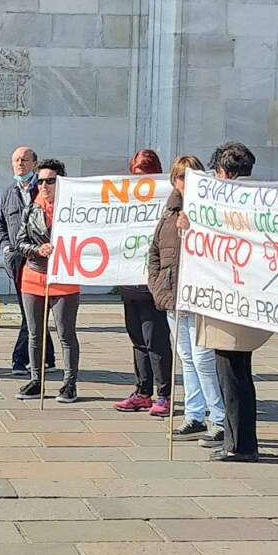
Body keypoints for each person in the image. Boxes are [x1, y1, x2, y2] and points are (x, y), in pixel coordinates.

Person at [189, 142, 271, 462]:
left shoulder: (226, 203)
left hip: (228, 304)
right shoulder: (264, 201)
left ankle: (240, 444)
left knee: (233, 376)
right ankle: (240, 440)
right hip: (246, 303)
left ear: (222, 172)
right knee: (238, 375)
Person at [148, 155, 226, 443]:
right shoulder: (168, 213)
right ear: (174, 180)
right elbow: (155, 252)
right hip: (173, 297)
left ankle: (218, 418)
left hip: (200, 297)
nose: (186, 182)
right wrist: (157, 286)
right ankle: (194, 414)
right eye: (181, 177)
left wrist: (193, 228)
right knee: (186, 359)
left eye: (192, 176)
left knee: (204, 359)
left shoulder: (210, 211)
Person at [14, 159, 80, 404]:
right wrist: (37, 249)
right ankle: (36, 380)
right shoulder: (31, 209)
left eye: (50, 180)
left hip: (64, 277)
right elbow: (19, 243)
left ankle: (69, 383)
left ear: (60, 182)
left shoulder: (74, 209)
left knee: (66, 333)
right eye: (40, 181)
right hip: (33, 276)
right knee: (35, 334)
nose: (44, 185)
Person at [114, 149, 173, 417]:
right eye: (136, 175)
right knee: (137, 339)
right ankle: (142, 391)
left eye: (145, 175)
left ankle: (164, 394)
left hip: (153, 284)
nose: (140, 181)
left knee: (155, 339)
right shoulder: (127, 201)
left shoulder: (166, 200)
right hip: (129, 281)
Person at [0, 145, 55, 375]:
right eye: (16, 160)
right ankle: (46, 357)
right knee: (31, 311)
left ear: (34, 164)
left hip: (41, 261)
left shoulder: (43, 191)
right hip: (18, 261)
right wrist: (6, 246)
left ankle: (20, 359)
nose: (19, 163)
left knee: (34, 313)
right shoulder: (9, 192)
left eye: (24, 159)